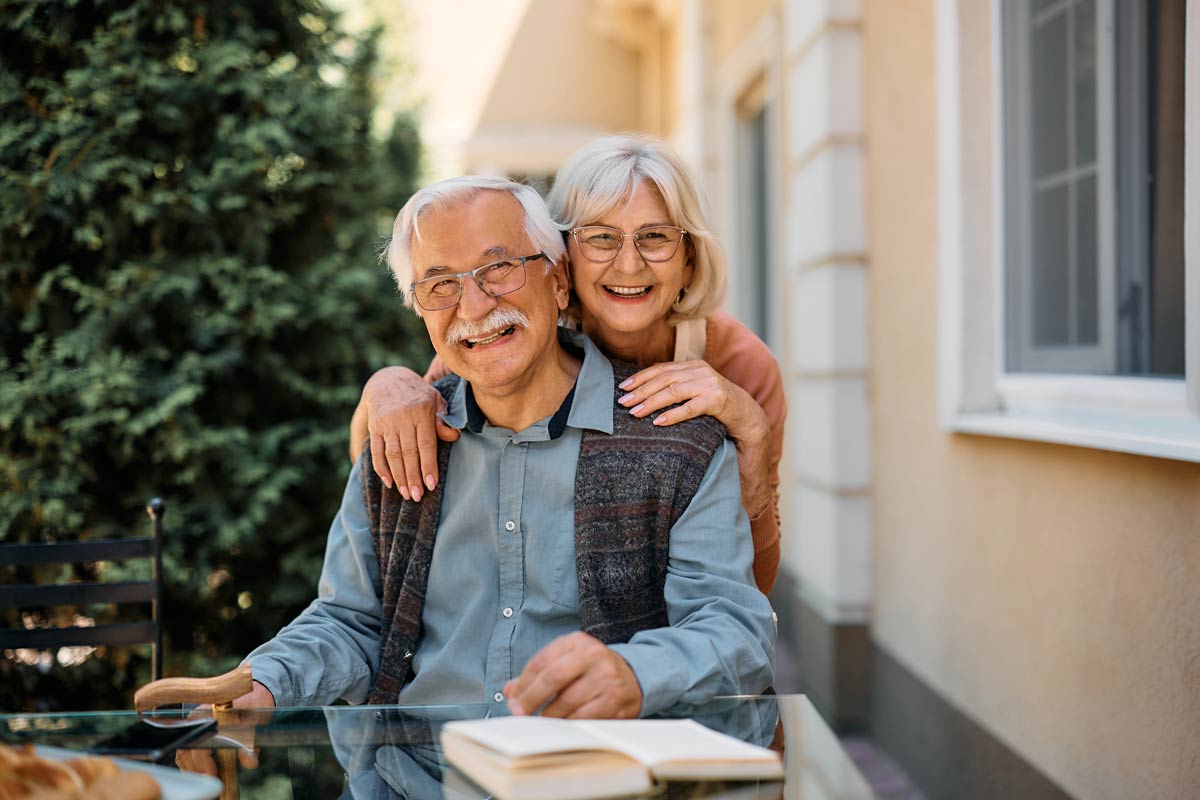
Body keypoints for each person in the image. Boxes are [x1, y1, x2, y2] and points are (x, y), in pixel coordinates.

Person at [232, 177, 774, 719]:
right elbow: (348, 622)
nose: (472, 306)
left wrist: (638, 672)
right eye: (440, 284)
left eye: (498, 269)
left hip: (590, 776)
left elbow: (734, 631)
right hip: (414, 778)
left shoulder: (677, 438)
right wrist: (260, 685)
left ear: (559, 281)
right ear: (418, 309)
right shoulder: (402, 435)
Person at [350, 134, 787, 594]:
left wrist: (753, 437)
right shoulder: (512, 339)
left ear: (689, 259)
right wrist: (386, 384)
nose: (629, 264)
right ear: (563, 258)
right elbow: (377, 469)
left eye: (654, 237)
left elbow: (750, 592)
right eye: (600, 237)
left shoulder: (741, 365)